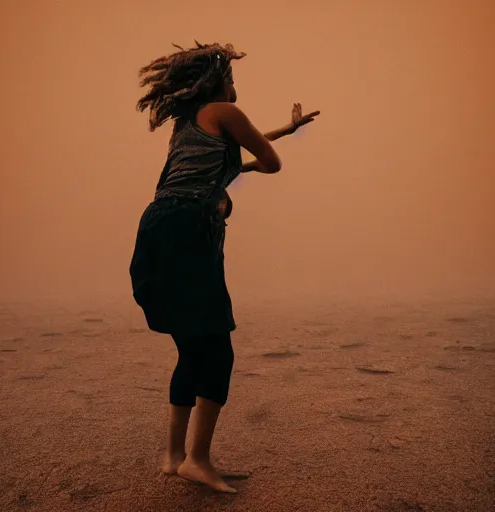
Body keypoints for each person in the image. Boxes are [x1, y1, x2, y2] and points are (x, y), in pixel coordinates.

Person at [129, 41, 319, 493]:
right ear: (216, 82)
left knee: (191, 349)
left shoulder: (187, 123)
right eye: (231, 77)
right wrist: (261, 159)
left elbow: (224, 147)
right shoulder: (225, 111)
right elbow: (271, 164)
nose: (235, 85)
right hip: (192, 227)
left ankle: (174, 456)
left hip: (157, 226)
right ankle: (198, 459)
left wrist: (282, 131)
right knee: (217, 349)